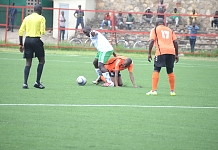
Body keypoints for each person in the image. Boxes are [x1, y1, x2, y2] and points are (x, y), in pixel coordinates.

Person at [146, 18, 179, 96]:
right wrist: (176, 54)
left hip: (161, 51)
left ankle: (154, 90)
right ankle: (172, 91)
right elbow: (175, 42)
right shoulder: (170, 30)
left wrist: (149, 53)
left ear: (156, 23)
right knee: (170, 71)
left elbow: (151, 41)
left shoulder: (155, 29)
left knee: (156, 69)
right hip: (171, 51)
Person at [18, 4, 46, 89]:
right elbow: (43, 32)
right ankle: (37, 82)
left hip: (27, 40)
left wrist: (21, 44)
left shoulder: (27, 18)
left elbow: (20, 32)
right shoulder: (41, 18)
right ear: (40, 10)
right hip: (36, 40)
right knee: (41, 61)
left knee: (28, 62)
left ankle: (25, 83)